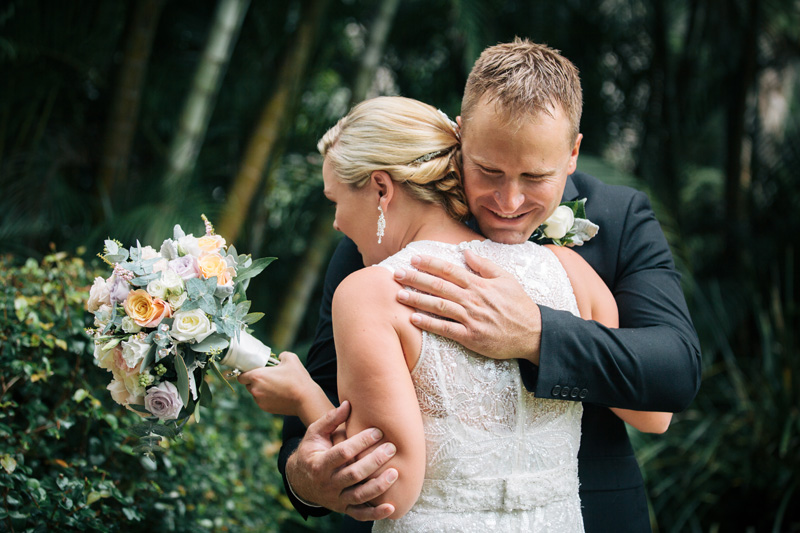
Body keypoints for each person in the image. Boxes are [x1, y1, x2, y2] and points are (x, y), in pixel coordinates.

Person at [240, 95, 671, 530]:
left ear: (381, 188)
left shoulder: (371, 293)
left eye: (335, 200)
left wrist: (304, 396)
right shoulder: (570, 270)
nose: (336, 222)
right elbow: (654, 414)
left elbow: (388, 492)